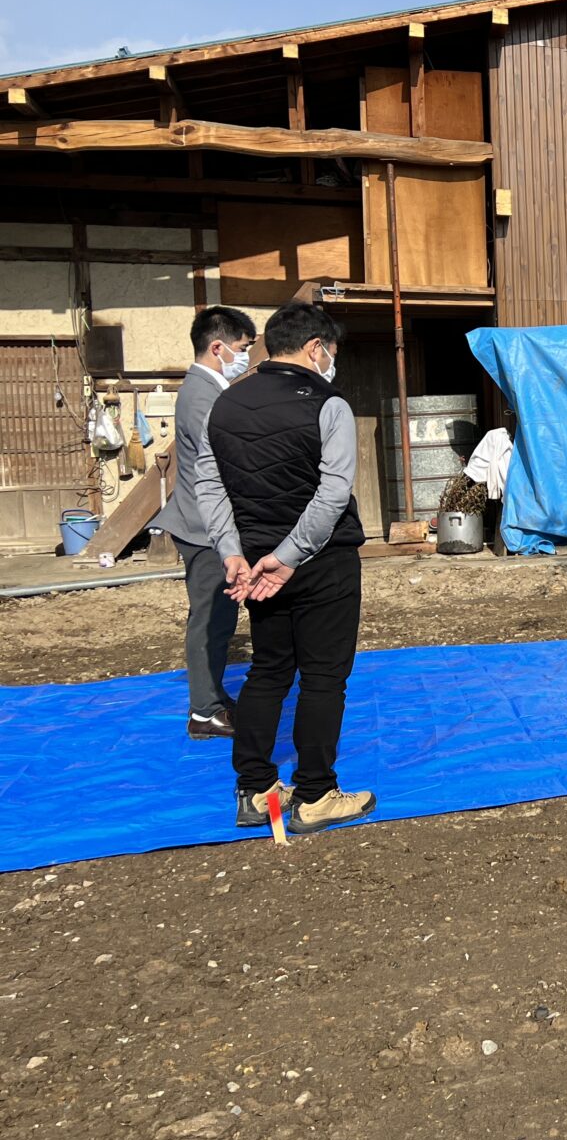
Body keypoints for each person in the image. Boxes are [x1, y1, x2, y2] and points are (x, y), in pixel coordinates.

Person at [198, 302, 376, 834]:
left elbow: (210, 485)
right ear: (316, 348)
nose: (331, 363)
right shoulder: (329, 404)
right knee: (323, 676)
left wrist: (234, 553)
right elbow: (333, 491)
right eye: (332, 353)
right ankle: (316, 794)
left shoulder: (227, 404)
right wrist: (291, 555)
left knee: (269, 669)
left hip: (255, 559)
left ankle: (255, 789)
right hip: (320, 560)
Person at [152, 306, 257, 739]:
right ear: (218, 347)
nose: (245, 356)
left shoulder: (207, 388)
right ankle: (204, 710)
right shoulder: (202, 394)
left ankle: (212, 698)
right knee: (211, 618)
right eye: (243, 348)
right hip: (203, 526)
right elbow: (224, 459)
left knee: (221, 617)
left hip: (208, 522)